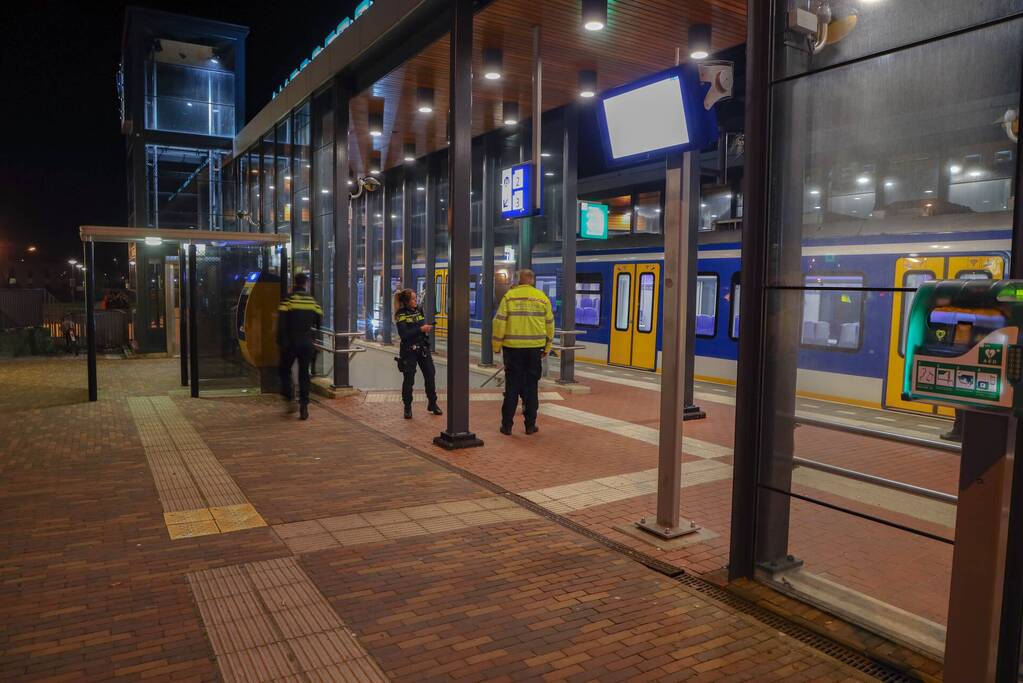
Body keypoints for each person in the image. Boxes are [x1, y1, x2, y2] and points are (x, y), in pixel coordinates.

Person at [492, 269, 554, 435]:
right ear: (532, 281)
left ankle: (506, 426)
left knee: (512, 388)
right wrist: (546, 348)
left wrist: (497, 346)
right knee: (531, 388)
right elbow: (550, 325)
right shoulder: (542, 298)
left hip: (513, 350)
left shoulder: (509, 297)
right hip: (534, 350)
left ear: (519, 281)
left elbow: (499, 323)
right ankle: (530, 426)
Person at [277, 273, 322, 420]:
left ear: (294, 283)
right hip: (306, 342)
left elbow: (281, 323)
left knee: (283, 370)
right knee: (304, 374)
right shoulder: (312, 302)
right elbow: (318, 321)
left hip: (290, 343)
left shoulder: (288, 300)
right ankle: (304, 406)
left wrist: (281, 341)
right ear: (306, 284)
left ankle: (290, 397)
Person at [394, 288, 443, 420]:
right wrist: (421, 329)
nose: (416, 301)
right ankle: (408, 407)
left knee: (430, 375)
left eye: (416, 298)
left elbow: (419, 328)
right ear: (407, 301)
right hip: (409, 350)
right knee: (409, 380)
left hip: (422, 348)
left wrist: (425, 328)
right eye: (414, 299)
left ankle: (432, 404)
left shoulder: (419, 310)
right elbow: (404, 334)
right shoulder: (400, 314)